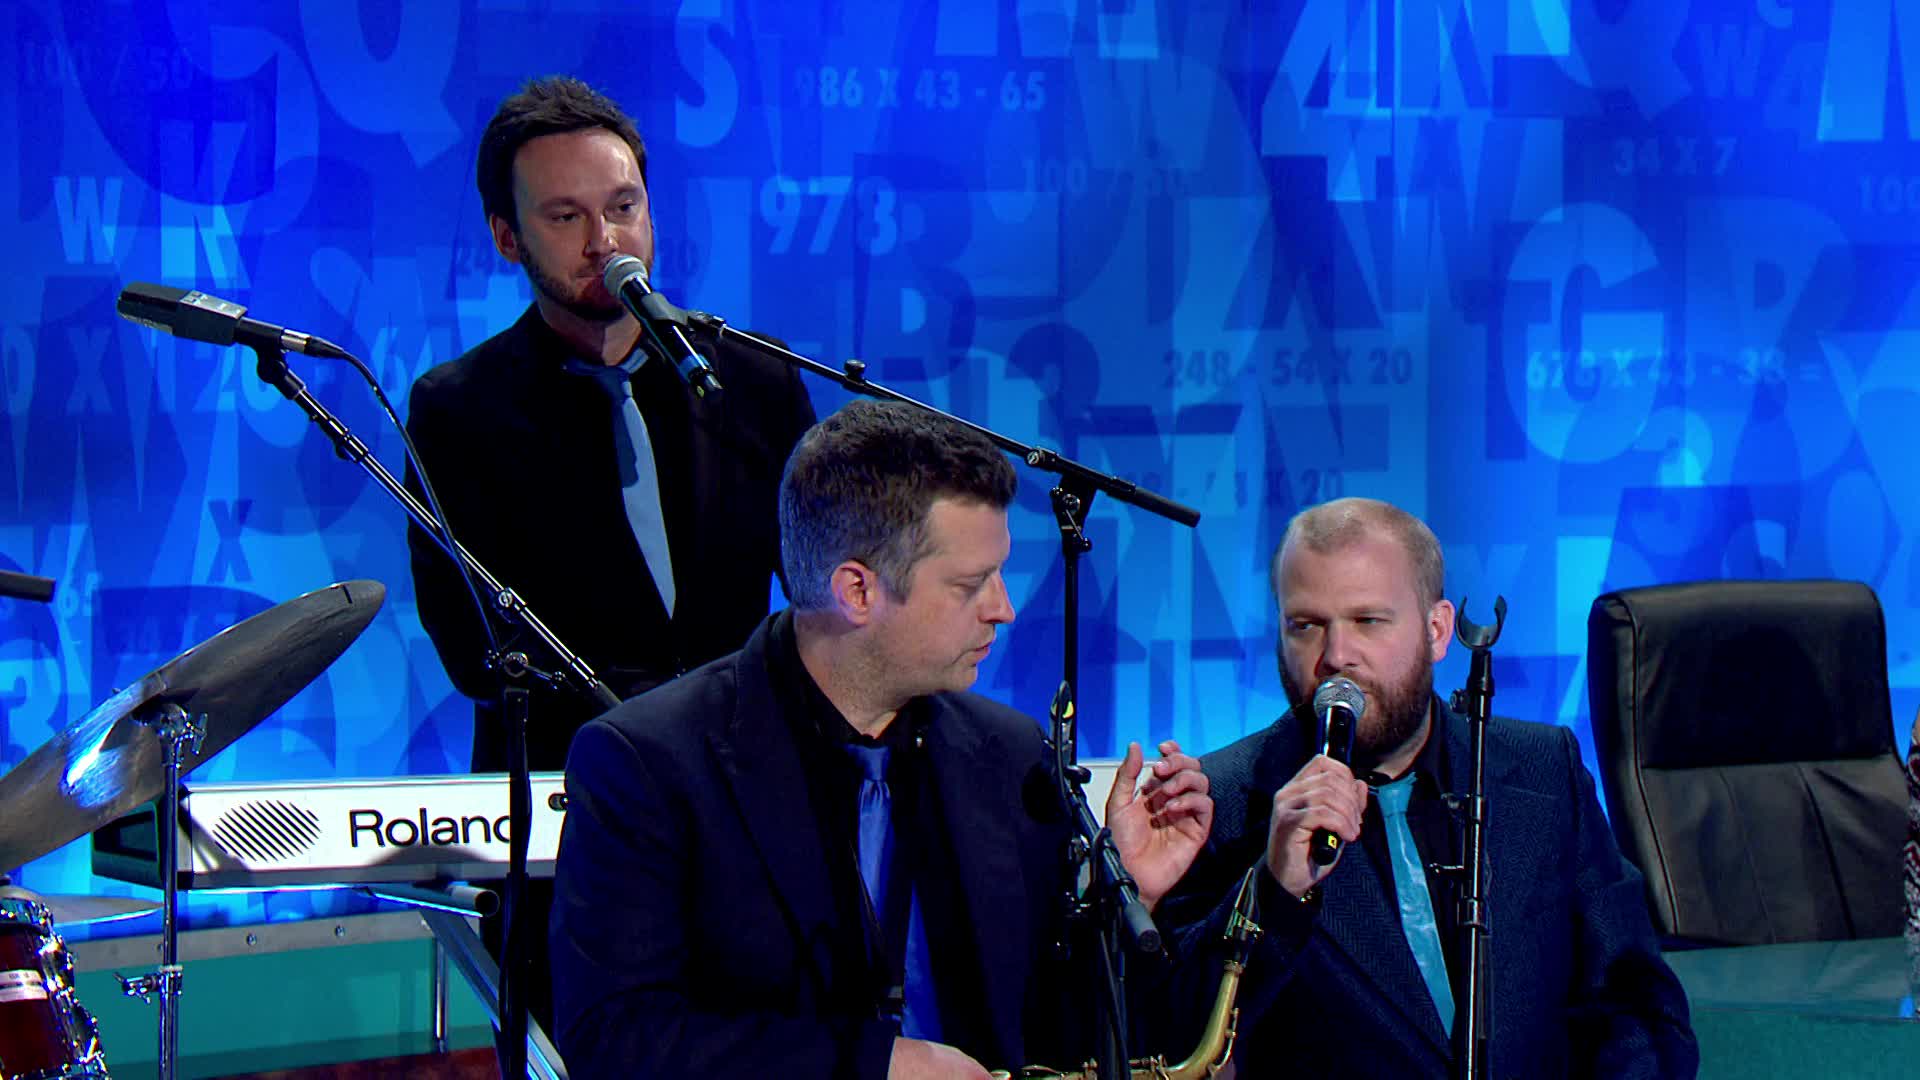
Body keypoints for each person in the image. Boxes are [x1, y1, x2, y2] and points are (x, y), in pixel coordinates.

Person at [550, 399, 1218, 1078]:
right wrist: (870, 1067)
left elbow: (1055, 1035)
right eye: (970, 585)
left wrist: (1122, 903)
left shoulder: (1010, 755)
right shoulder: (647, 763)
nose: (1004, 609)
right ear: (857, 591)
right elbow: (614, 1040)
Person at [403, 76, 815, 1037]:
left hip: (756, 822)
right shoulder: (459, 410)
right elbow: (475, 647)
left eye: (623, 207)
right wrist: (669, 725)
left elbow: (820, 600)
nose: (605, 241)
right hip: (576, 834)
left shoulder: (750, 380)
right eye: (566, 216)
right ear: (507, 238)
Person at [1157, 497, 1697, 1077]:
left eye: (1367, 621)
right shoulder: (1223, 801)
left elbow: (1640, 1007)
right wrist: (1276, 890)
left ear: (1437, 631)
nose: (1336, 657)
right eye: (1306, 626)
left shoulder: (1544, 771)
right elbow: (1169, 1038)